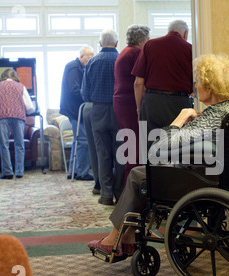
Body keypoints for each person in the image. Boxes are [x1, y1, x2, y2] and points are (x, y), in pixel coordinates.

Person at [88, 53, 229, 255]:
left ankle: (114, 238)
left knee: (139, 174)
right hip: (225, 176)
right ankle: (126, 235)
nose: (195, 86)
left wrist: (179, 119)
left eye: (198, 82)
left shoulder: (211, 118)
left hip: (202, 180)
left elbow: (158, 148)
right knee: (146, 173)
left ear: (209, 86)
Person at [81, 29, 124, 206]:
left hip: (97, 110)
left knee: (103, 153)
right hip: (119, 110)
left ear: (99, 44)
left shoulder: (92, 62)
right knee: (120, 153)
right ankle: (120, 193)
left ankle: (106, 194)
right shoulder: (122, 59)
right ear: (116, 43)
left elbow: (85, 93)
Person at [131, 20, 193, 137]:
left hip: (152, 103)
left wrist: (139, 109)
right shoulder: (190, 49)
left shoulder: (150, 45)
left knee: (150, 146)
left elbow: (138, 83)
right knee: (178, 146)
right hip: (179, 104)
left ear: (168, 31)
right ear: (185, 33)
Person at [113, 24, 150, 182]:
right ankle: (134, 190)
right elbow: (139, 82)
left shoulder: (125, 52)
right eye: (148, 38)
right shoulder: (136, 53)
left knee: (131, 146)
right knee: (135, 150)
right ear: (142, 39)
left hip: (121, 102)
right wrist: (139, 108)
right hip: (130, 103)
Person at [0, 68, 35, 179]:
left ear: (3, 76)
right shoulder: (21, 87)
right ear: (15, 76)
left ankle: (7, 172)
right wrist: (30, 112)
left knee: (4, 144)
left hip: (2, 116)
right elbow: (29, 107)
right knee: (19, 144)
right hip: (18, 116)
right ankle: (19, 172)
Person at [60, 46, 95, 181]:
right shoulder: (74, 68)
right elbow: (75, 90)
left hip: (74, 109)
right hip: (75, 110)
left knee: (78, 140)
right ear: (81, 56)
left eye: (92, 56)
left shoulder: (78, 67)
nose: (91, 59)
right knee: (83, 140)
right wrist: (90, 96)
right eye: (88, 56)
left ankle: (73, 170)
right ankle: (82, 172)